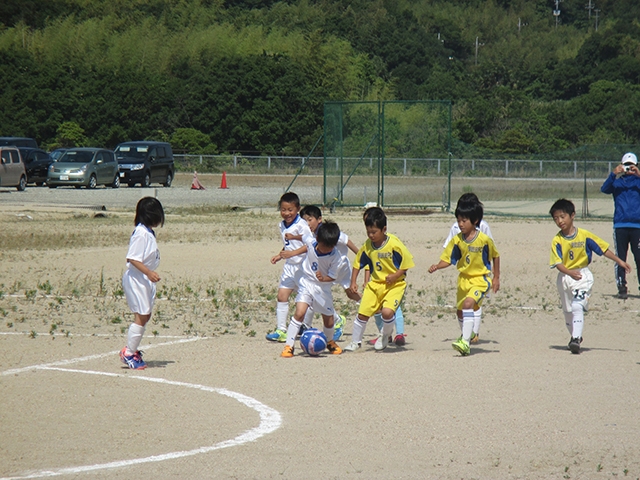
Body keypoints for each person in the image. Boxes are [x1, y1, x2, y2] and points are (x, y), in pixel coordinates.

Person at [548, 199, 630, 354]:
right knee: (567, 311)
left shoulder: (584, 236)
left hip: (582, 275)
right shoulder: (557, 240)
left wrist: (620, 261)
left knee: (577, 306)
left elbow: (602, 249)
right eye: (556, 218)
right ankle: (575, 335)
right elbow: (557, 263)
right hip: (565, 276)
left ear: (572, 215)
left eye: (562, 216)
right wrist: (569, 272)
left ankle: (575, 339)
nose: (559, 221)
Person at [428, 197, 500, 356]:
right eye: (458, 220)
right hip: (464, 280)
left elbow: (495, 256)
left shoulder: (484, 240)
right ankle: (469, 334)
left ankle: (465, 342)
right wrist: (437, 266)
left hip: (481, 280)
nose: (460, 224)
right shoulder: (457, 240)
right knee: (460, 312)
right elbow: (448, 259)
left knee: (468, 304)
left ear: (474, 221)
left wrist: (496, 278)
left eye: (464, 220)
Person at [282, 205, 358, 341]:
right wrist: (293, 238)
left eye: (309, 220)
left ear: (319, 220)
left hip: (339, 269)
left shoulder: (330, 233)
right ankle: (306, 325)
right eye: (304, 221)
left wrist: (362, 257)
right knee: (314, 293)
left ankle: (364, 310)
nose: (307, 224)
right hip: (324, 269)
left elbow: (347, 242)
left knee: (348, 294)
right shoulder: (313, 235)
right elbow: (307, 240)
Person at [345, 207, 415, 352]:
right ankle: (355, 342)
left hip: (395, 285)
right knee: (362, 314)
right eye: (368, 232)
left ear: (384, 229)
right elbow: (358, 263)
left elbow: (407, 263)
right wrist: (353, 282)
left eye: (374, 232)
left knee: (387, 312)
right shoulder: (368, 245)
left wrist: (395, 275)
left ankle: (385, 335)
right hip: (375, 285)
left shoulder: (394, 243)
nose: (371, 235)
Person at [279, 221, 345, 358]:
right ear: (317, 240)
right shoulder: (311, 242)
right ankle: (289, 346)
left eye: (330, 247)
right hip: (306, 283)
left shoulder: (336, 257)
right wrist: (292, 239)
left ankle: (329, 341)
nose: (326, 249)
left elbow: (332, 277)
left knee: (329, 319)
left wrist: (324, 278)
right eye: (323, 246)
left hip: (323, 287)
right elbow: (304, 238)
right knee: (300, 312)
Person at [120, 197, 165, 370]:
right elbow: (132, 258)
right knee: (141, 315)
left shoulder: (147, 232)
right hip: (137, 278)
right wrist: (149, 272)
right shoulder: (140, 233)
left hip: (144, 279)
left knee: (146, 314)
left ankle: (132, 349)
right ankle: (129, 353)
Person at [442, 192, 494, 344]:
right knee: (462, 308)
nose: (461, 223)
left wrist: (492, 274)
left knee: (474, 304)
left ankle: (473, 334)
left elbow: (490, 249)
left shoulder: (483, 227)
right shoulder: (456, 227)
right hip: (465, 275)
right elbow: (449, 248)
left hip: (480, 275)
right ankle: (467, 334)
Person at [266, 192, 312, 342]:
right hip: (289, 267)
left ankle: (332, 321)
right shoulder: (281, 225)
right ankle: (281, 330)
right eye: (283, 210)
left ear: (298, 209)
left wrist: (292, 253)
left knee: (310, 300)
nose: (287, 213)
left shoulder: (302, 225)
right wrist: (281, 255)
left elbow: (309, 245)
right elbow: (288, 244)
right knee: (282, 296)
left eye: (290, 210)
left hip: (303, 267)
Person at [600, 152, 640, 299]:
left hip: (637, 226)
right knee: (620, 257)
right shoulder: (617, 183)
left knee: (639, 257)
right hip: (621, 224)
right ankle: (621, 286)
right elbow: (604, 189)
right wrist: (613, 174)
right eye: (626, 165)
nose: (629, 168)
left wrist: (639, 175)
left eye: (632, 165)